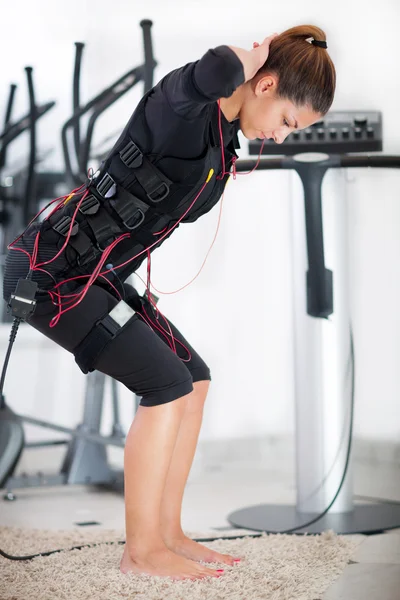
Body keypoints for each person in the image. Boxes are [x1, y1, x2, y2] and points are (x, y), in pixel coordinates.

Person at [3, 24, 336, 581]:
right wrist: (248, 56)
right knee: (164, 386)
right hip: (49, 273)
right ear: (264, 84)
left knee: (193, 376)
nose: (281, 136)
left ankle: (168, 533)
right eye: (287, 121)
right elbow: (211, 71)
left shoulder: (222, 136)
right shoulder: (182, 106)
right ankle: (140, 553)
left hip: (97, 277)